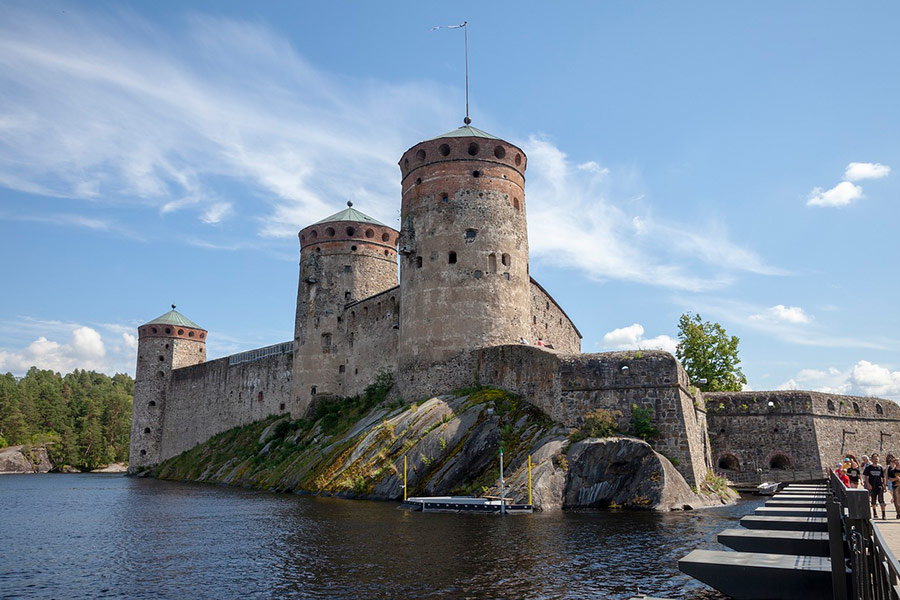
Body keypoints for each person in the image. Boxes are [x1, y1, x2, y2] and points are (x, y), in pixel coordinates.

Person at [864, 453, 887, 519]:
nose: (876, 460)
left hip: (879, 485)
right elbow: (866, 476)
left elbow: (883, 477)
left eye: (877, 459)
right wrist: (868, 484)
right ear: (872, 459)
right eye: (874, 459)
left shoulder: (880, 468)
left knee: (881, 500)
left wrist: (884, 486)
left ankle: (883, 514)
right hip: (872, 486)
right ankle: (875, 513)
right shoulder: (869, 468)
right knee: (873, 500)